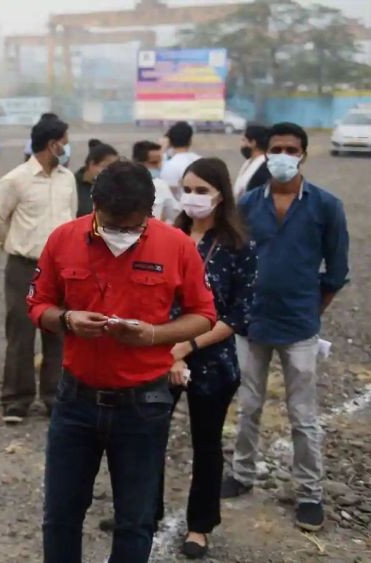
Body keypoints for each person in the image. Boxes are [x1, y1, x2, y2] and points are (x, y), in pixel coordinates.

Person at [30, 161, 216, 563]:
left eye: (131, 227)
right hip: (75, 402)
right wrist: (66, 319)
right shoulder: (63, 239)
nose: (119, 235)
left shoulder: (177, 246)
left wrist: (153, 334)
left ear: (150, 212)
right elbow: (37, 304)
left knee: (135, 520)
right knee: (60, 515)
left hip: (143, 406)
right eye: (109, 224)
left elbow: (204, 315)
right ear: (93, 204)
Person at [223, 122, 350, 533]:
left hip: (299, 325)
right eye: (275, 148)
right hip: (252, 322)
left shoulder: (326, 206)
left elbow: (337, 268)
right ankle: (242, 474)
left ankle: (310, 493)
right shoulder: (248, 205)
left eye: (290, 149)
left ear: (303, 154)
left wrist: (313, 308)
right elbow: (236, 260)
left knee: (302, 414)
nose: (282, 155)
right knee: (249, 405)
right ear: (266, 153)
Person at [156, 157, 257, 559]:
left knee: (206, 443)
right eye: (187, 189)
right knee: (148, 438)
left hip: (213, 362)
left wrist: (187, 347)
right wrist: (169, 352)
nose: (193, 198)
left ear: (221, 194)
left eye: (202, 190)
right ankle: (144, 511)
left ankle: (200, 525)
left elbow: (237, 314)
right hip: (161, 356)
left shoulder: (238, 246)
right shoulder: (166, 235)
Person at [0, 117, 76, 423]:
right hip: (24, 265)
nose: (68, 147)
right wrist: (13, 246)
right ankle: (16, 400)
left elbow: (72, 219)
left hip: (62, 269)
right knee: (21, 333)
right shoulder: (16, 179)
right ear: (53, 144)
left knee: (59, 332)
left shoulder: (68, 179)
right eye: (65, 141)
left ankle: (55, 397)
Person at [132, 140, 180, 223]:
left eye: (160, 162)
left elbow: (176, 215)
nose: (158, 166)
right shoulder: (120, 185)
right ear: (137, 163)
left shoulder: (160, 185)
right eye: (153, 163)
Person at [74, 140, 118, 217]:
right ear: (92, 164)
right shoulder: (73, 183)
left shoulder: (116, 185)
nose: (112, 171)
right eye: (106, 166)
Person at [159, 121, 200, 198]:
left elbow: (167, 196)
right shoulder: (200, 161)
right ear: (190, 141)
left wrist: (162, 149)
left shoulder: (169, 166)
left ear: (170, 142)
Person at [233, 123, 271, 200]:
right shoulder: (248, 162)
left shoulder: (265, 167)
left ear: (253, 143)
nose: (242, 145)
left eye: (244, 140)